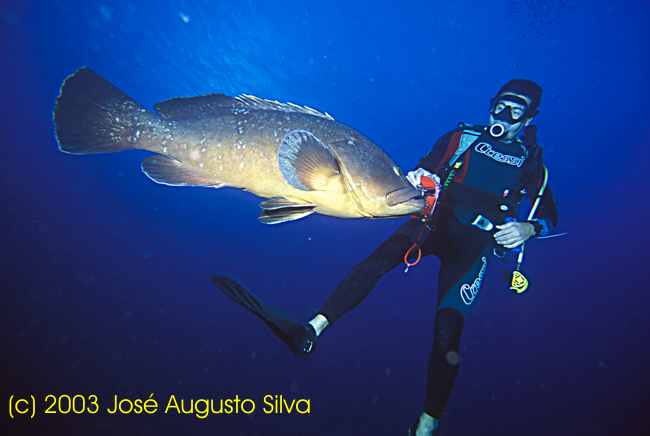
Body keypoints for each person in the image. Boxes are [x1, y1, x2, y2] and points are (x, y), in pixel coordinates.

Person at [213, 79, 558, 436]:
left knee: (448, 330)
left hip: (473, 248)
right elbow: (426, 168)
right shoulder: (462, 138)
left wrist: (528, 228)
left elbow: (550, 217)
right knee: (373, 265)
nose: (504, 115)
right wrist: (420, 177)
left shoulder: (532, 163)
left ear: (529, 118)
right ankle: (311, 330)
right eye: (500, 105)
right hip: (429, 224)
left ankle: (426, 424)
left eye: (515, 110)